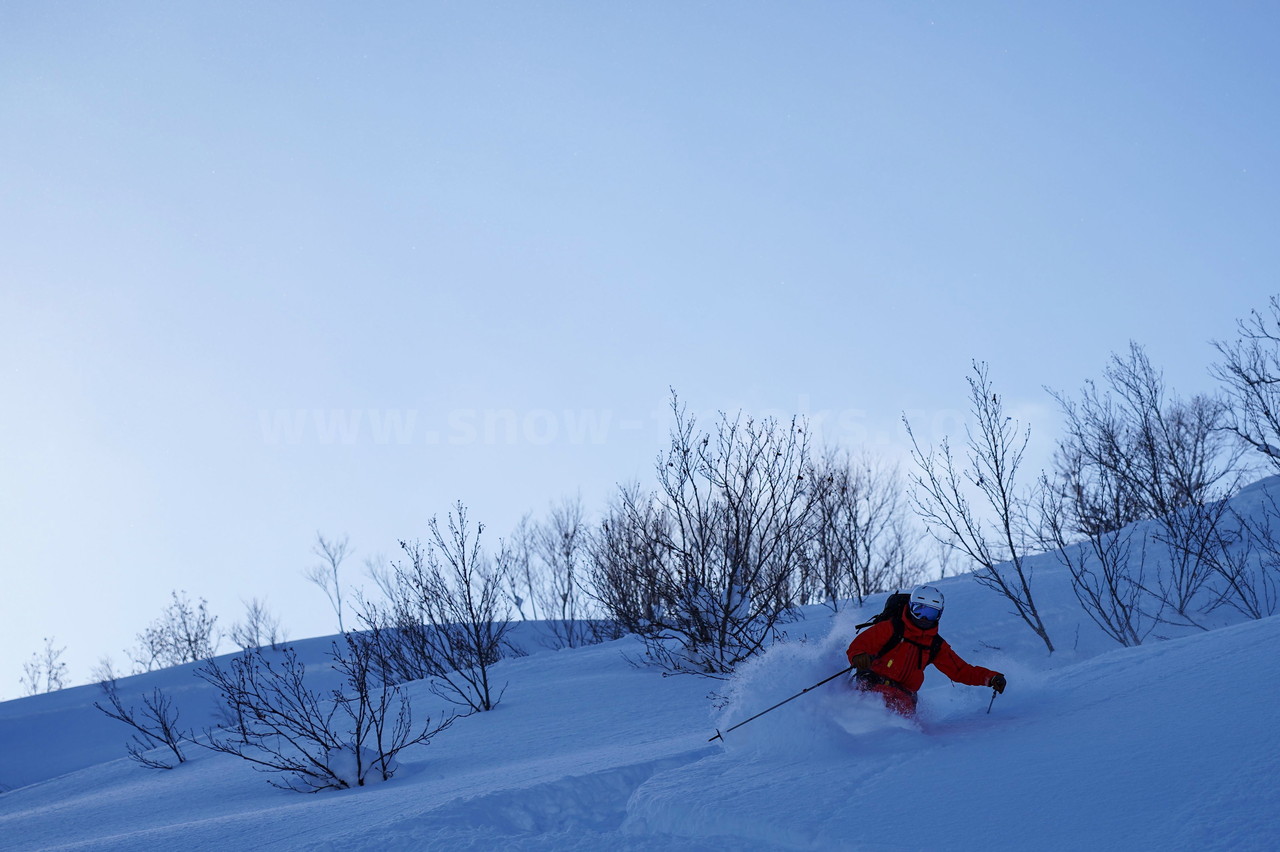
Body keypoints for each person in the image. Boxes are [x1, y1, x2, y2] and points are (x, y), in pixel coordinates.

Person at [845, 585, 1006, 716]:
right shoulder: (891, 628)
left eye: (930, 613)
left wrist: (990, 678)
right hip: (872, 686)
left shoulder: (935, 644)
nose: (923, 618)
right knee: (869, 718)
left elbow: (960, 671)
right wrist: (859, 656)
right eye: (919, 610)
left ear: (939, 615)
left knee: (900, 730)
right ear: (910, 607)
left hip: (903, 697)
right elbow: (859, 646)